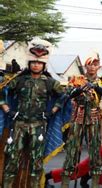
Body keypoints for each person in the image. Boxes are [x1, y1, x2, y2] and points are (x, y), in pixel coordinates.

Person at [0, 38, 65, 187]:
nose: (36, 65)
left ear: (43, 64)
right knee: (12, 161)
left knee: (36, 163)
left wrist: (51, 113)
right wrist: (8, 111)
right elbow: (2, 92)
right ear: (29, 63)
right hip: (19, 125)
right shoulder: (20, 80)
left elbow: (63, 97)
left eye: (39, 63)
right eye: (34, 62)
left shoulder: (50, 82)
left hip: (39, 126)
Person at [61, 51, 102, 188]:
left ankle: (95, 182)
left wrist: (95, 86)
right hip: (78, 116)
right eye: (89, 64)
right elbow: (68, 94)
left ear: (98, 66)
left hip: (94, 118)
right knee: (72, 148)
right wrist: (80, 89)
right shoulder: (76, 79)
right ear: (85, 66)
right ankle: (65, 182)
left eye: (95, 64)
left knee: (95, 150)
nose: (92, 67)